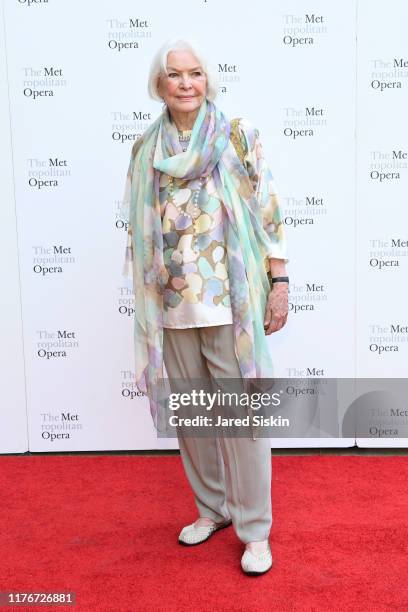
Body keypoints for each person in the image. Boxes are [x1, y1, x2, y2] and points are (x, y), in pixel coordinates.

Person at [121, 37, 289, 575]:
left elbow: (268, 210)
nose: (186, 83)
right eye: (175, 75)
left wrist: (278, 279)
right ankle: (211, 509)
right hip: (170, 304)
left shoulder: (236, 136)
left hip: (230, 304)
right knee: (194, 418)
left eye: (195, 73)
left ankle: (254, 530)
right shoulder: (146, 148)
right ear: (159, 85)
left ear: (207, 80)